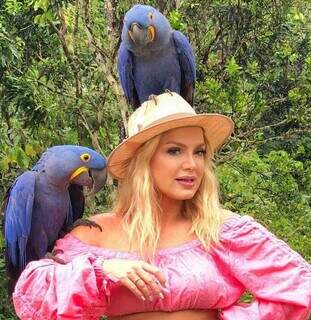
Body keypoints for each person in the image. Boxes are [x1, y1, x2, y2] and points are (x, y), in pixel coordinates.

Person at [13, 92, 311, 320]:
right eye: (174, 150)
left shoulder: (224, 230)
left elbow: (300, 290)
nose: (191, 164)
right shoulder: (96, 234)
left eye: (199, 152)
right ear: (143, 161)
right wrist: (104, 270)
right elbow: (32, 296)